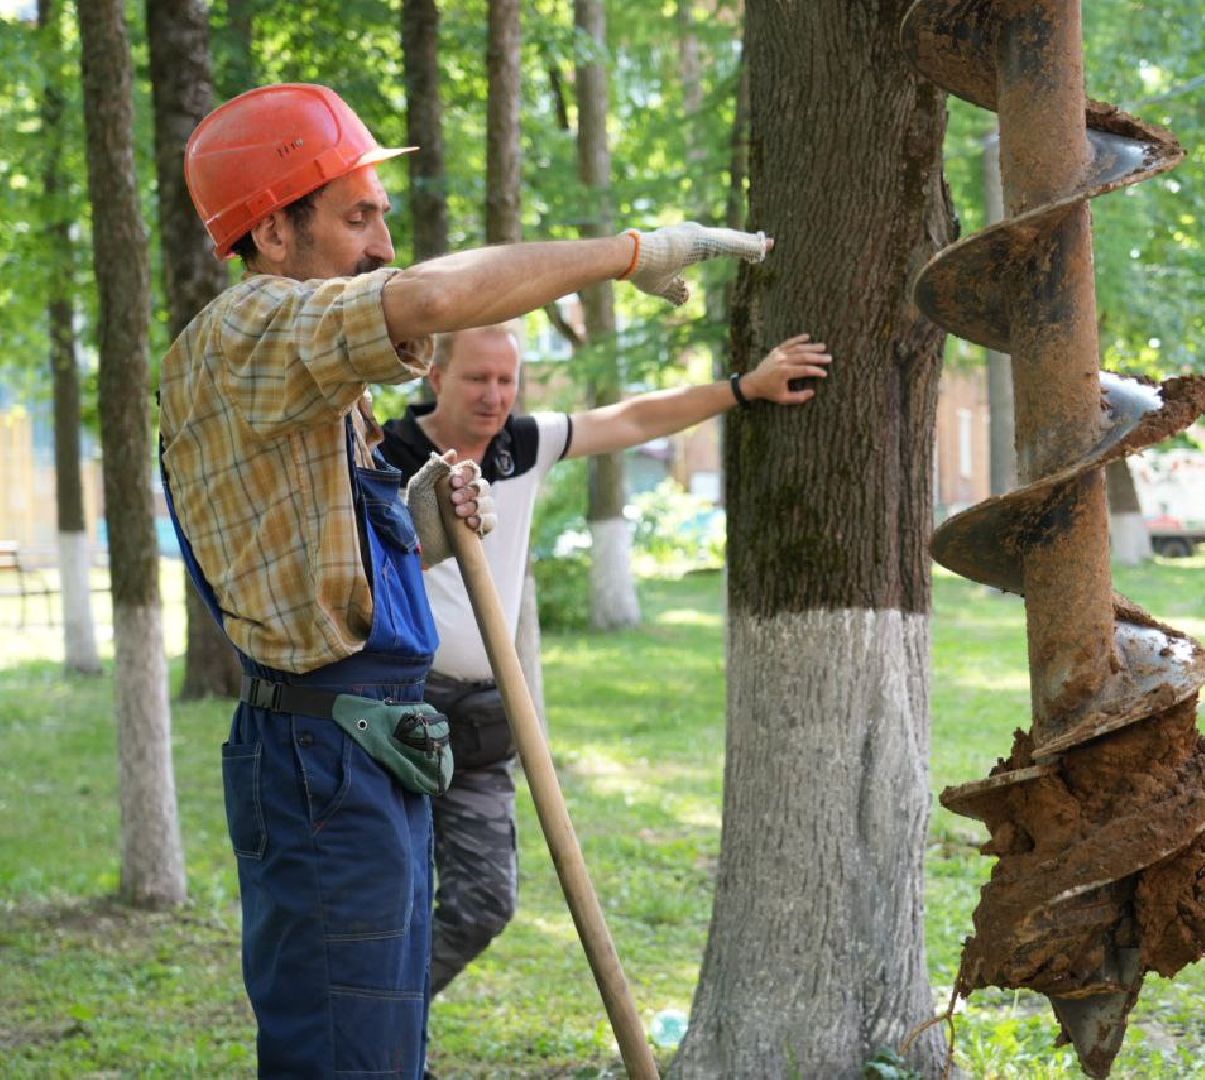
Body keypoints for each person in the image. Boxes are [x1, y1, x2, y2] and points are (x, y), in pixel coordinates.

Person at [159, 82, 775, 1078]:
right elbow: (440, 299)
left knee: (389, 1046)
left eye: (383, 217)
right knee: (346, 1058)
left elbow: (310, 560)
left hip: (364, 752)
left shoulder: (300, 373)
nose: (382, 244)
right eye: (358, 216)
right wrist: (636, 251)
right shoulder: (252, 331)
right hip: (322, 763)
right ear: (273, 233)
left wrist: (427, 534)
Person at [378, 323, 829, 999]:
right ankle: (377, 1052)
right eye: (478, 378)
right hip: (392, 715)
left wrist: (745, 387)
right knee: (387, 907)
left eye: (507, 379)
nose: (495, 395)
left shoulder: (520, 446)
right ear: (436, 377)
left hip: (482, 718)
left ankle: (386, 1031)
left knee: (482, 906)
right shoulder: (382, 452)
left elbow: (634, 417)